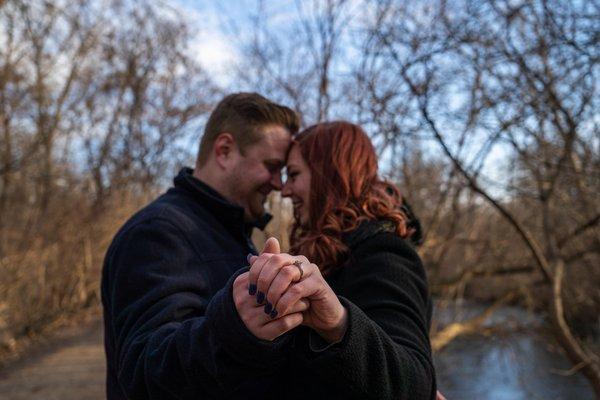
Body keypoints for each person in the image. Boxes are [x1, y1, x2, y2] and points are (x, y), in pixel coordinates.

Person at [101, 92, 302, 399]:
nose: (278, 183)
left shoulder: (229, 231)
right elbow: (144, 372)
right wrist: (236, 330)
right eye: (272, 166)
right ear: (224, 150)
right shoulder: (160, 231)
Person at [240, 121, 437, 399]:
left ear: (329, 176)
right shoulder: (330, 253)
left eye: (294, 175)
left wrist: (338, 323)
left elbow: (415, 385)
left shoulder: (384, 254)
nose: (284, 191)